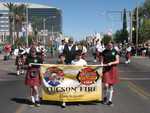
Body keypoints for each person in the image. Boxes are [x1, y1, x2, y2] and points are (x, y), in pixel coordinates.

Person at [101, 41, 119, 106]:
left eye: (111, 45)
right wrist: (102, 65)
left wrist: (111, 63)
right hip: (106, 69)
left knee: (111, 85)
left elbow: (117, 61)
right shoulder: (104, 52)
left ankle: (110, 100)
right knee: (106, 85)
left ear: (113, 45)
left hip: (113, 69)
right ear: (107, 45)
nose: (109, 46)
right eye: (108, 45)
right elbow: (102, 61)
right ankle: (105, 97)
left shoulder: (115, 51)